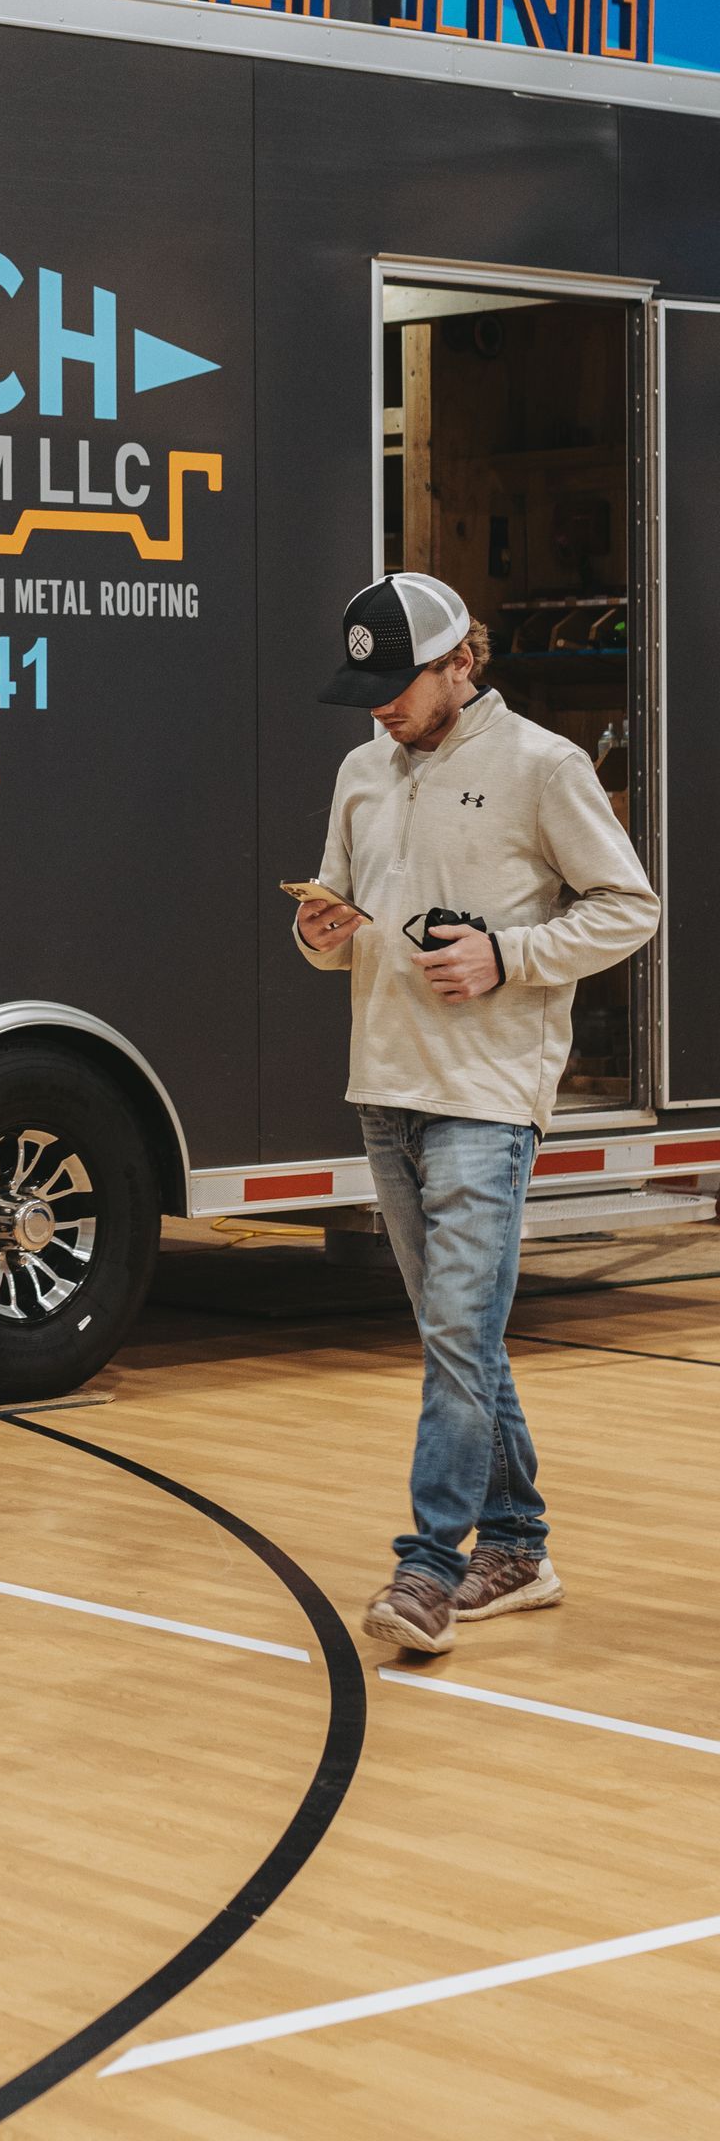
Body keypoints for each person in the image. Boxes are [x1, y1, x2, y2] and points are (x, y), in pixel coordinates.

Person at [295, 571, 658, 1656]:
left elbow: (628, 906)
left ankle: (430, 1568)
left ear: (462, 662)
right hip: (384, 1087)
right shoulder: (362, 770)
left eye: (396, 682)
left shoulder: (544, 767)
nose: (379, 705)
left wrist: (510, 956)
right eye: (365, 685)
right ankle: (521, 1544)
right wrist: (319, 932)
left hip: (487, 1101)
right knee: (461, 1337)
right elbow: (336, 915)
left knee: (457, 1334)